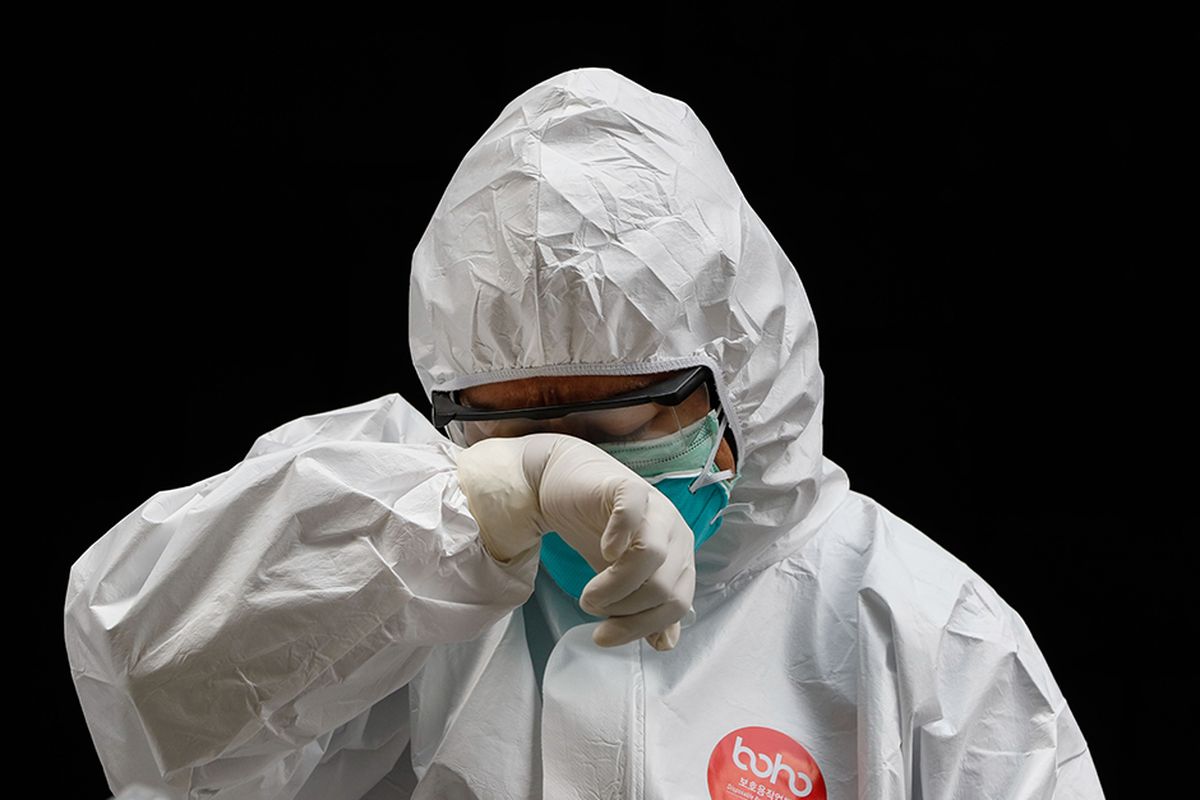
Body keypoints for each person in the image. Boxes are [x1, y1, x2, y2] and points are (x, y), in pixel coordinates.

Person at [65, 67, 1105, 799]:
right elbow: (149, 685)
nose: (575, 462)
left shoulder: (920, 632)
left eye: (616, 412)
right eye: (515, 422)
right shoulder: (391, 600)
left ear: (745, 379)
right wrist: (479, 506)